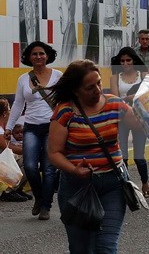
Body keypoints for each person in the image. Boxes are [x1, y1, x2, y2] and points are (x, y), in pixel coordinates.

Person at [47, 60, 140, 253]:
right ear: (75, 90)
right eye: (90, 87)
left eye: (98, 83)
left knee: (105, 247)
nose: (97, 90)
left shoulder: (115, 104)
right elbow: (54, 153)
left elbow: (142, 127)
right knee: (81, 249)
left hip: (113, 185)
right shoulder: (65, 112)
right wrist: (74, 169)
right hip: (76, 188)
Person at [4, 41, 62, 220]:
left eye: (42, 53)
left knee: (49, 168)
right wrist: (9, 127)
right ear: (29, 58)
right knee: (29, 166)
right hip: (31, 127)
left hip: (52, 127)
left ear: (48, 56)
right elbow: (18, 105)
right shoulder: (23, 79)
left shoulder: (58, 76)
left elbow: (64, 102)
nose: (38, 57)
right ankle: (39, 198)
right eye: (34, 54)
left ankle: (46, 205)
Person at [109, 47, 149, 198]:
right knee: (123, 156)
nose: (126, 63)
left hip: (140, 119)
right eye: (122, 61)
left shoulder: (144, 75)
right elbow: (115, 98)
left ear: (134, 61)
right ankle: (125, 186)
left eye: (128, 60)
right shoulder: (115, 77)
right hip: (121, 118)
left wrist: (132, 97)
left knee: (139, 156)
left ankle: (145, 182)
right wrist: (129, 98)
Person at [0, 100, 31, 202]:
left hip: (4, 160)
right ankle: (9, 191)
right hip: (3, 161)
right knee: (29, 161)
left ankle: (17, 189)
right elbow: (8, 147)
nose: (11, 112)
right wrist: (29, 150)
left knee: (29, 162)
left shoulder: (5, 127)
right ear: (4, 113)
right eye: (9, 110)